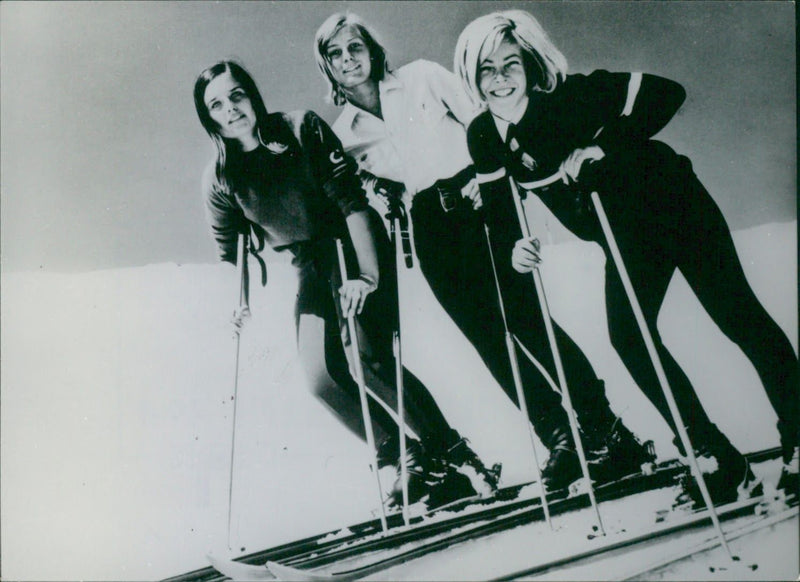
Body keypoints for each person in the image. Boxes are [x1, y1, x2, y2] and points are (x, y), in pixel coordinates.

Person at [454, 9, 799, 502]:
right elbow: (501, 208)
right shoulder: (484, 134)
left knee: (736, 315)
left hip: (675, 204)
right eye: (486, 68)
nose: (500, 78)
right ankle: (714, 457)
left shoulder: (572, 96)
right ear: (470, 73)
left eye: (511, 63)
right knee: (630, 338)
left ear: (530, 63)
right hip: (627, 238)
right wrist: (516, 247)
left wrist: (603, 145)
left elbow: (668, 92)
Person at [313, 12, 655, 493]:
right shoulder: (345, 134)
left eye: (355, 47)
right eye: (336, 53)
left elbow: (488, 124)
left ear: (372, 49)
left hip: (479, 201)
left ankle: (608, 434)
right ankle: (561, 441)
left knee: (527, 322)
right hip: (429, 229)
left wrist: (486, 179)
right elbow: (366, 191)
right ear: (326, 66)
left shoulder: (423, 78)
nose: (348, 59)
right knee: (490, 341)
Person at [194, 60, 497, 508]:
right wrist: (237, 303)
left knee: (371, 361)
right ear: (208, 116)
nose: (230, 109)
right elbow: (232, 250)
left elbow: (352, 204)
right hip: (309, 265)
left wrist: (366, 276)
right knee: (321, 379)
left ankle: (457, 456)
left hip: (352, 243)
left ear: (251, 94)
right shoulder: (221, 177)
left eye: (236, 95)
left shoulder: (299, 129)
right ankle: (409, 458)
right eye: (216, 104)